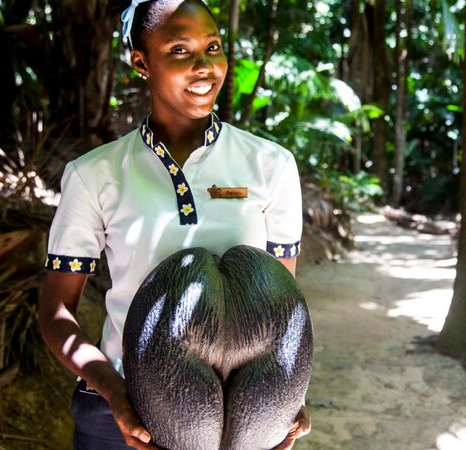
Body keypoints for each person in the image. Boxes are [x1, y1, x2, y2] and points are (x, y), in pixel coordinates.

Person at [37, 0, 310, 448]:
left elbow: (281, 307)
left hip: (236, 415)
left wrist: (284, 394)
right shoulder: (94, 174)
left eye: (214, 46)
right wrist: (113, 390)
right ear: (141, 62)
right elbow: (56, 313)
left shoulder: (270, 166)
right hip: (117, 411)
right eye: (181, 50)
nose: (206, 66)